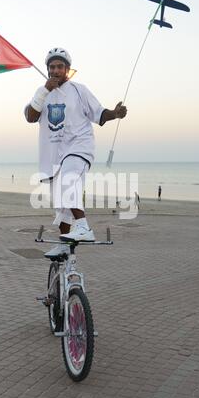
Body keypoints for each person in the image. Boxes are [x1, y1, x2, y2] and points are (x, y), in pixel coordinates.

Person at [25, 47, 127, 257]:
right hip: (54, 155)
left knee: (68, 181)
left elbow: (99, 114)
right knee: (62, 203)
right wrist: (44, 90)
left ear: (67, 69)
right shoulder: (41, 92)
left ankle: (83, 227)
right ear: (47, 69)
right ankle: (64, 245)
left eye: (60, 66)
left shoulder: (79, 90)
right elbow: (30, 116)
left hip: (79, 147)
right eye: (52, 67)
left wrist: (114, 114)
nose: (55, 70)